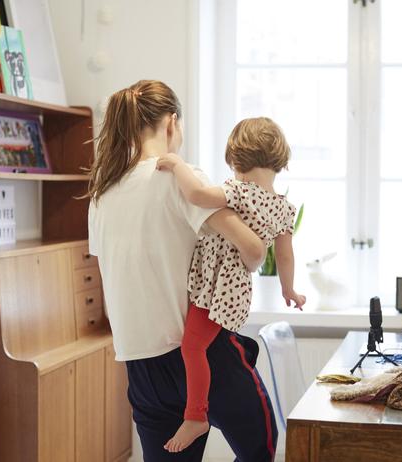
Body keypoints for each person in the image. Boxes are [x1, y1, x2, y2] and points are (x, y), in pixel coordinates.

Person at [87, 80, 278, 461]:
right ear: (172, 123)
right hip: (201, 354)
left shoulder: (102, 193)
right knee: (262, 448)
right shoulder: (178, 177)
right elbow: (253, 250)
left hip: (140, 366)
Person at [156, 117, 306, 453]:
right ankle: (198, 411)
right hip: (235, 291)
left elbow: (195, 193)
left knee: (192, 348)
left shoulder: (235, 191)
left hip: (215, 288)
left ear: (236, 158)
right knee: (202, 347)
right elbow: (284, 256)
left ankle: (196, 415)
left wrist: (178, 163)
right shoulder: (283, 208)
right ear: (278, 159)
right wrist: (289, 291)